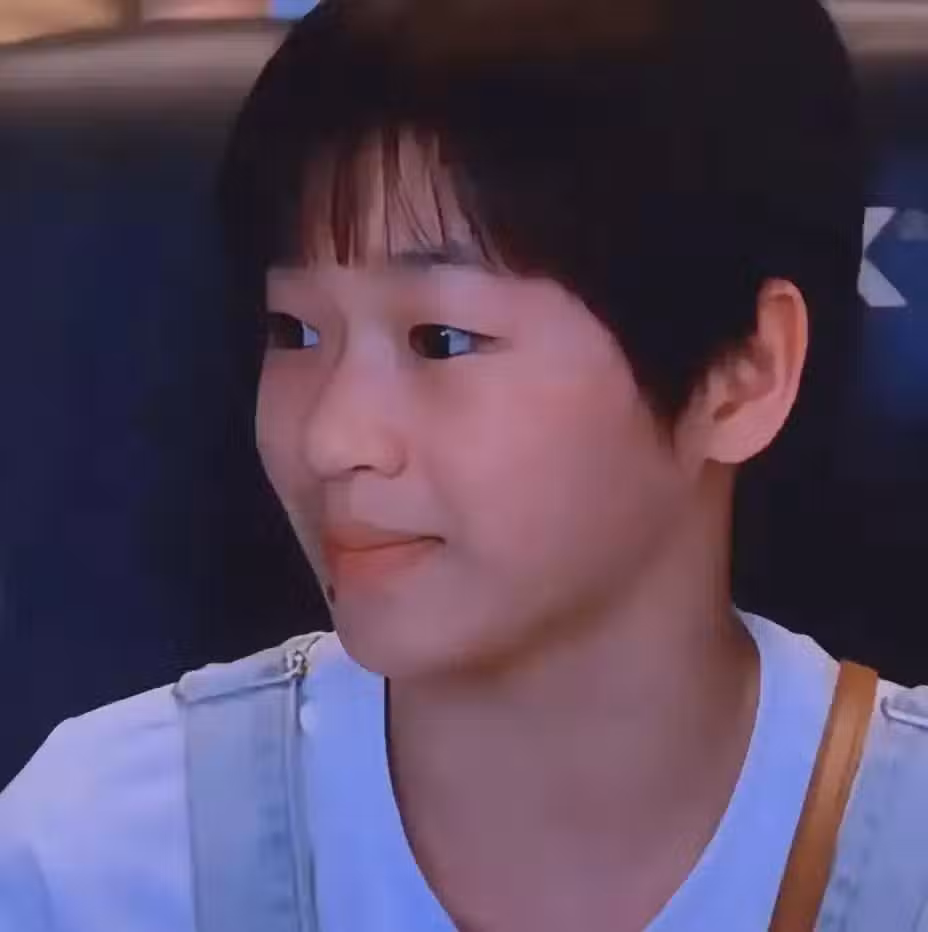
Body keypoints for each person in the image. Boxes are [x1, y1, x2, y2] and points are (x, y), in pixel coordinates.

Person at [2, 0, 927, 929]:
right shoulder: (102, 860)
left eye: (440, 339)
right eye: (295, 331)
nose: (331, 440)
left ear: (741, 377)